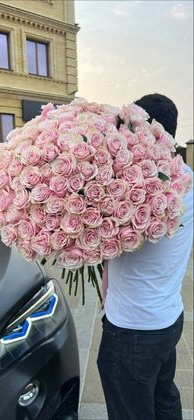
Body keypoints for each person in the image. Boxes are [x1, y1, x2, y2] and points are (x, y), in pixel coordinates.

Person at [97, 93, 193, 420]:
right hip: (168, 318)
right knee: (164, 398)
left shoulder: (133, 184)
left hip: (132, 328)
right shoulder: (188, 180)